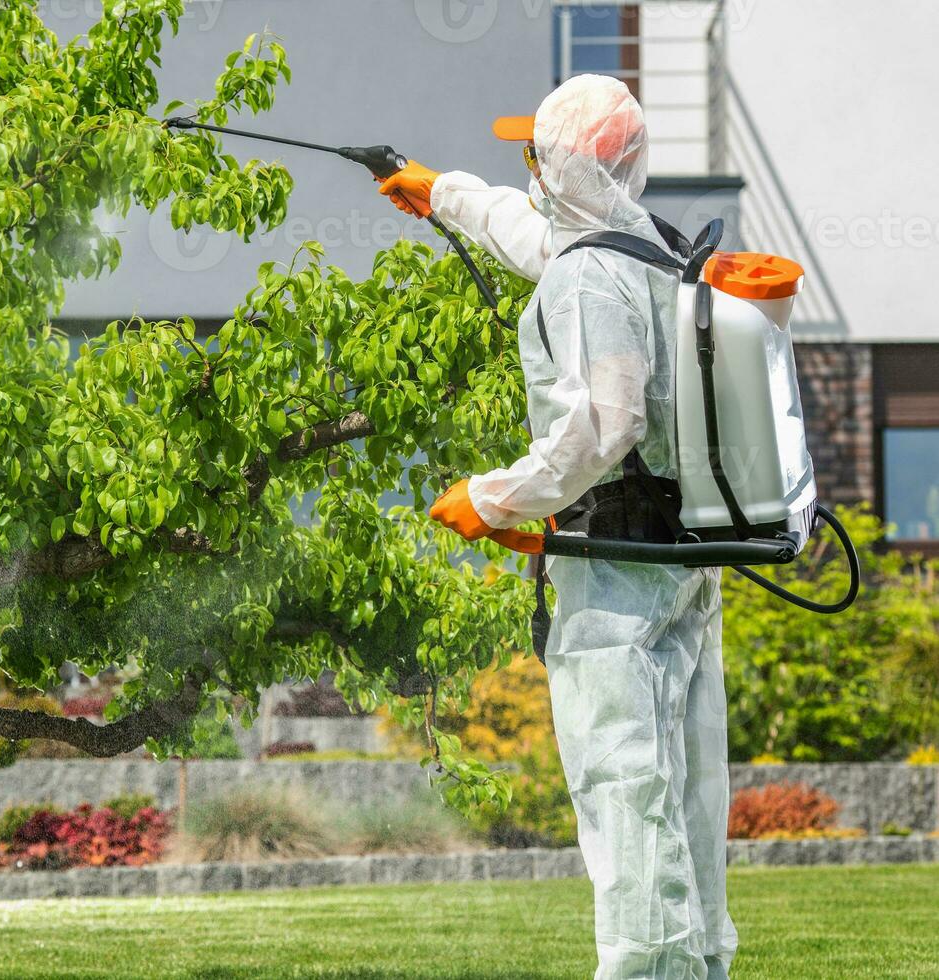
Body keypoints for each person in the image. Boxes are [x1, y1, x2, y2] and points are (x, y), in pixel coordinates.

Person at [378, 74, 738, 980]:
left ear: (564, 164)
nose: (526, 167)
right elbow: (532, 235)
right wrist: (443, 192)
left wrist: (494, 497)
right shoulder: (648, 252)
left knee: (623, 782)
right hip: (679, 555)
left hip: (616, 568)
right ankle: (696, 964)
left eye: (533, 152)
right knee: (687, 782)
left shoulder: (589, 279)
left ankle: (643, 969)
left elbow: (601, 425)